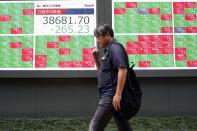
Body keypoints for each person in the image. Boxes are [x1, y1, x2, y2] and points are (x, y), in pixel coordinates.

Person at [88, 24, 133, 131]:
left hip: (111, 96)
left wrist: (117, 95)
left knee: (94, 127)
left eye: (98, 37)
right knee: (124, 127)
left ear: (107, 35)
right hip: (111, 96)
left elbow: (123, 69)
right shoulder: (109, 50)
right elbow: (103, 72)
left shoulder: (115, 48)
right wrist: (95, 58)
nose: (98, 41)